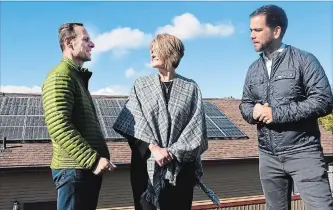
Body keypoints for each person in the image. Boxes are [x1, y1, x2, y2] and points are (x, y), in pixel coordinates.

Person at [239, 4, 333, 210]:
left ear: (276, 31)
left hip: (303, 152)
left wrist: (277, 114)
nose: (251, 35)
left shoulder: (304, 60)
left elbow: (324, 100)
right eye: (250, 30)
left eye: (257, 30)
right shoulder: (253, 69)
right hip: (267, 156)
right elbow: (245, 104)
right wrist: (251, 111)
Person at [113, 33, 219, 210]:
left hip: (180, 170)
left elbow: (196, 130)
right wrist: (154, 149)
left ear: (171, 53)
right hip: (146, 168)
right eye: (151, 50)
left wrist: (170, 152)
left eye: (156, 50)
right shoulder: (141, 86)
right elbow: (132, 125)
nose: (152, 54)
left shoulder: (190, 88)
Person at [41, 22, 116, 210]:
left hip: (82, 171)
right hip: (74, 171)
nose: (92, 44)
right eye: (86, 39)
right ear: (69, 42)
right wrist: (93, 160)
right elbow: (59, 126)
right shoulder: (60, 76)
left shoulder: (75, 77)